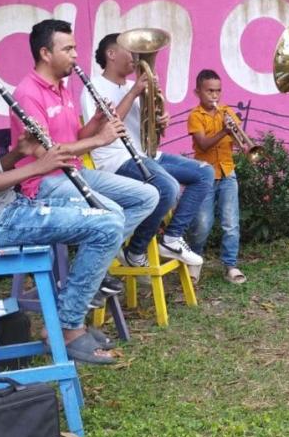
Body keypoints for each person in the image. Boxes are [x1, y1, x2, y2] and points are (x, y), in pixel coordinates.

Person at [0, 23, 125, 365]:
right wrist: (37, 165)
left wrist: (18, 154)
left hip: (5, 211)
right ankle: (67, 325)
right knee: (105, 227)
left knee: (112, 217)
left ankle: (69, 317)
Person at [8, 19, 161, 280]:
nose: (76, 55)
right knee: (111, 212)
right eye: (68, 49)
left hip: (74, 173)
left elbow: (75, 138)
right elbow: (47, 154)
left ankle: (91, 261)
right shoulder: (27, 93)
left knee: (148, 196)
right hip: (45, 182)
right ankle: (90, 272)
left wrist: (96, 122)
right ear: (46, 54)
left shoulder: (62, 88)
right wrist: (99, 140)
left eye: (74, 48)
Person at [80, 33, 210, 269]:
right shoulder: (94, 87)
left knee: (204, 172)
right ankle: (135, 250)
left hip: (146, 155)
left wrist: (160, 119)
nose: (135, 57)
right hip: (116, 160)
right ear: (111, 54)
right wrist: (133, 94)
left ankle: (171, 238)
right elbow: (102, 127)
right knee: (167, 187)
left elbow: (149, 129)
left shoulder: (133, 85)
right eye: (129, 51)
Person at [187, 69, 247, 284]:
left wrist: (246, 147)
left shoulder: (227, 112)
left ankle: (231, 265)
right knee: (203, 222)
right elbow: (202, 144)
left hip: (228, 172)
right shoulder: (195, 116)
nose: (214, 95)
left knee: (231, 223)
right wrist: (224, 132)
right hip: (205, 176)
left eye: (218, 91)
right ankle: (194, 261)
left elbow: (239, 141)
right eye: (209, 91)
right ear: (198, 92)